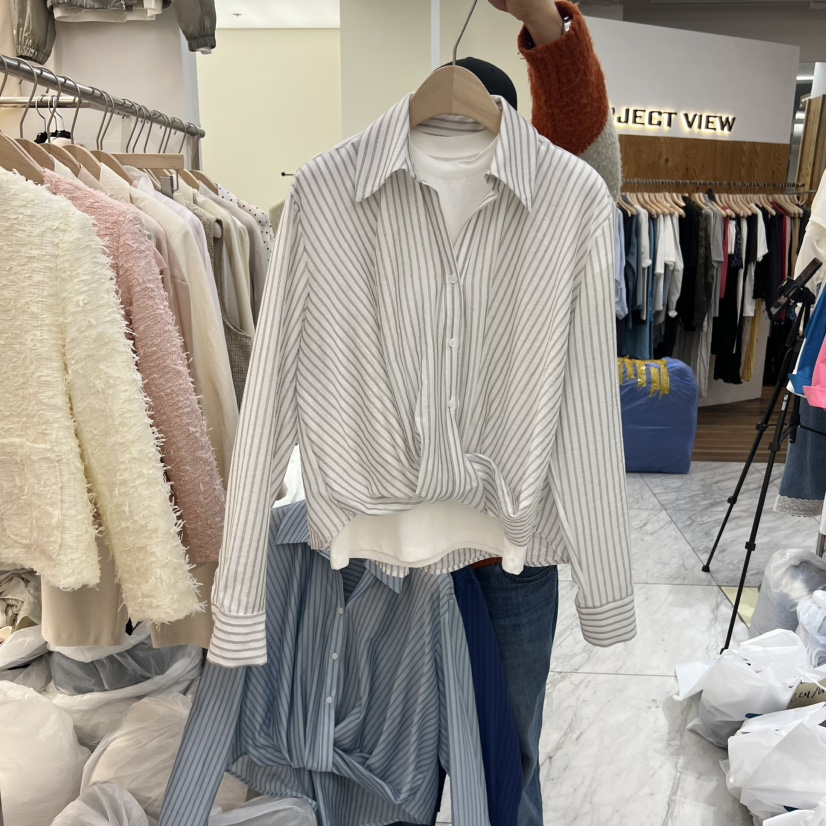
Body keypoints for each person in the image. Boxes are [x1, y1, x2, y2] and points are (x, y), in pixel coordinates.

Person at [471, 3, 623, 825]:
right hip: (397, 544)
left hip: (509, 544)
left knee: (509, 743)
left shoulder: (547, 216)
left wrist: (540, 18)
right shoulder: (376, 214)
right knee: (401, 744)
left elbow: (586, 148)